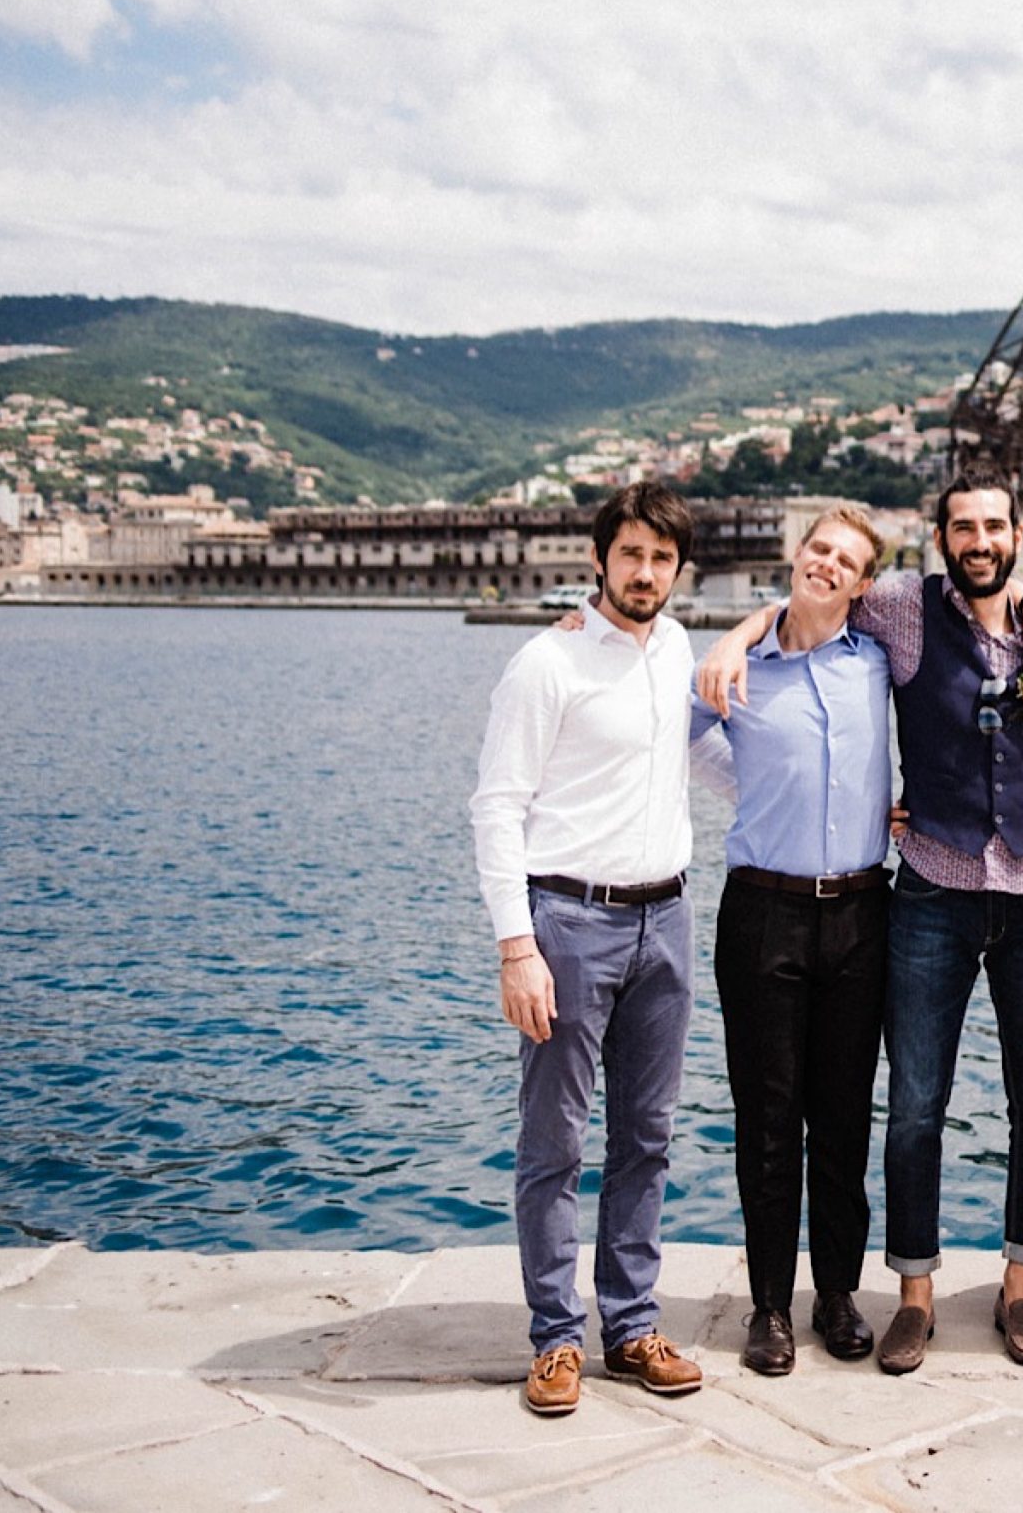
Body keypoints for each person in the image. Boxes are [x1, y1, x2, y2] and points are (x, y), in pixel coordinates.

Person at [696, 472, 1023, 1376]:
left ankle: (1011, 1292)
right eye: (962, 527)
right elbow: (801, 612)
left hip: (1021, 889)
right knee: (903, 1107)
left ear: (1017, 535)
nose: (979, 540)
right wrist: (744, 630)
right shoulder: (902, 614)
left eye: (995, 526)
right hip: (925, 887)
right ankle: (893, 1296)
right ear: (939, 538)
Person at [471, 482, 717, 1417]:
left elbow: (691, 757)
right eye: (631, 555)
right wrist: (515, 947)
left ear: (676, 569)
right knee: (554, 1143)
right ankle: (554, 1340)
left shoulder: (679, 647)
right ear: (599, 560)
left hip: (669, 921)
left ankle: (630, 1326)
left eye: (662, 558)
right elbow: (497, 807)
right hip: (569, 925)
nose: (646, 572)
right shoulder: (547, 664)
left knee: (647, 1139)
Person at [687, 504, 893, 1375]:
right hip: (762, 912)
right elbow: (690, 746)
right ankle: (769, 1306)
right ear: (796, 553)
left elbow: (974, 603)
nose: (829, 565)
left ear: (863, 581)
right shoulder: (737, 666)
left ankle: (836, 1295)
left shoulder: (880, 660)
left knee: (844, 1118)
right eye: (819, 548)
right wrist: (764, 794)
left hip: (860, 910)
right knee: (767, 1119)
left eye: (847, 559)